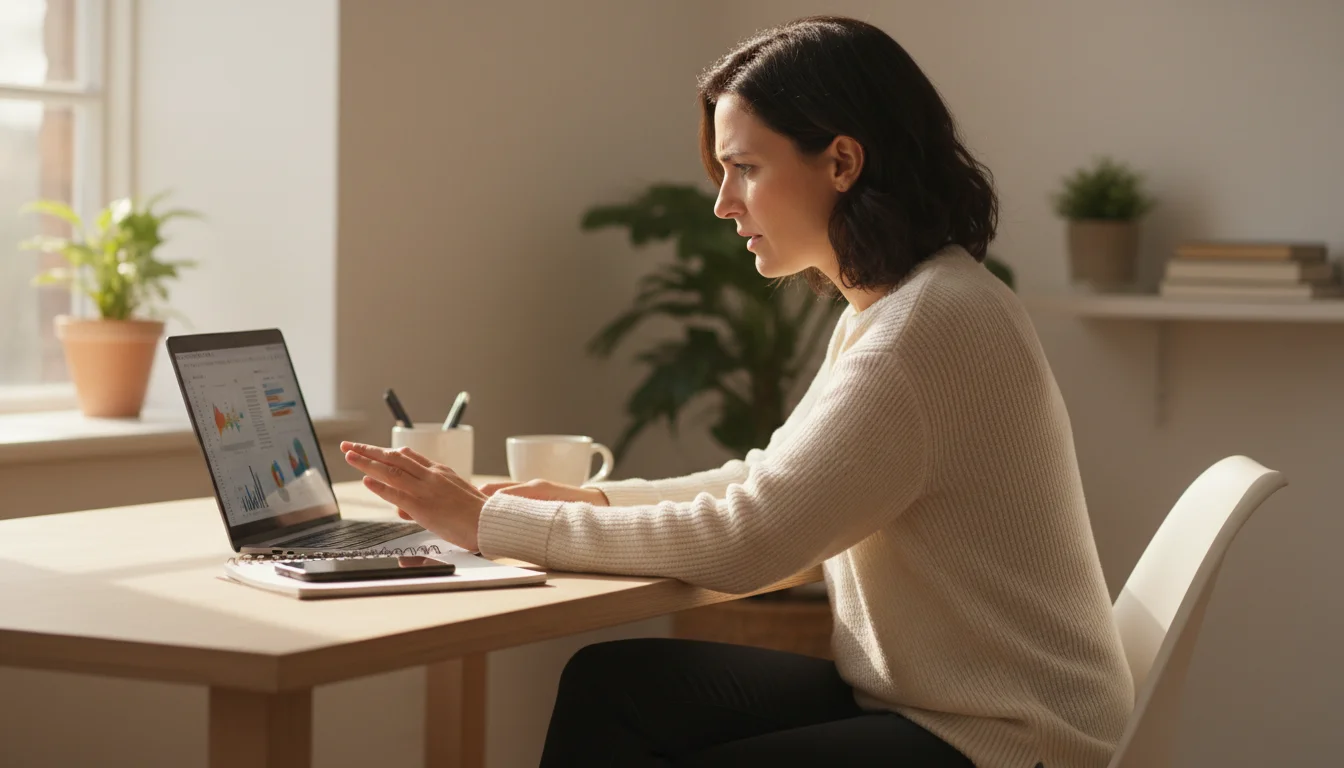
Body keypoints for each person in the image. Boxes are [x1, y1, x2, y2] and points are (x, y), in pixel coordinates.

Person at [340, 14, 1134, 768]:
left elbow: (756, 541)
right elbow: (766, 482)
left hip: (1002, 738)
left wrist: (492, 521)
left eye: (745, 169)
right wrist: (594, 506)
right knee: (612, 689)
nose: (723, 203)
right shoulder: (909, 303)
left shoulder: (920, 329)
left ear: (842, 162)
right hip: (938, 703)